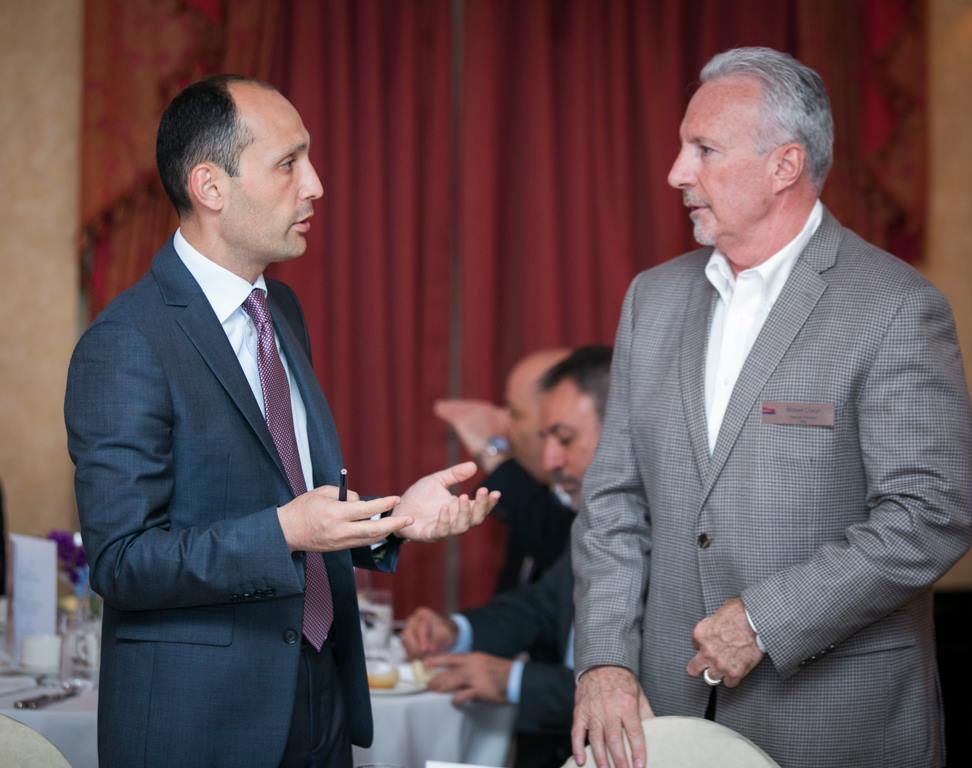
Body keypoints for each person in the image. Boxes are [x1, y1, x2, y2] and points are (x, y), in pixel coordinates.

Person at [64, 75, 499, 768]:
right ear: (210, 186)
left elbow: (285, 493)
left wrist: (391, 519)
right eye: (289, 163)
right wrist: (284, 533)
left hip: (320, 692)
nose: (315, 185)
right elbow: (122, 562)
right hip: (203, 721)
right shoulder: (128, 342)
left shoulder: (281, 311)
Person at [570, 47, 972, 768]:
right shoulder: (651, 300)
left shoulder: (894, 306)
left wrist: (763, 619)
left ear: (784, 165)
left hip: (834, 717)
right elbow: (612, 502)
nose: (677, 173)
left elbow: (928, 515)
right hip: (667, 718)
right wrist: (603, 659)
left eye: (704, 150)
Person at [404, 346, 612, 768]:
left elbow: (641, 689)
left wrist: (512, 680)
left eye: (565, 439)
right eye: (546, 437)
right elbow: (539, 607)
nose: (550, 459)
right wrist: (457, 630)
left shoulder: (662, 531)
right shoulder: (593, 521)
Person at [434, 348, 574, 592]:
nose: (505, 424)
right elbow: (520, 603)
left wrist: (491, 449)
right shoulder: (536, 487)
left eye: (515, 414)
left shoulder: (594, 494)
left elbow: (558, 549)